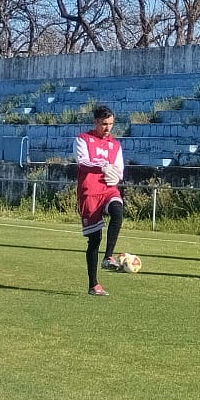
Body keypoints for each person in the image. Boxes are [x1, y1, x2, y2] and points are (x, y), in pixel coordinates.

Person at [76, 105, 127, 296]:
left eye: (111, 124)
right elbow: (83, 161)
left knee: (118, 211)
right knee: (94, 240)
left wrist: (116, 177)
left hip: (108, 189)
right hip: (89, 192)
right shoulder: (83, 139)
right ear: (96, 122)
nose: (108, 128)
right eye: (104, 124)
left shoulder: (116, 145)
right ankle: (94, 285)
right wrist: (103, 166)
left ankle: (109, 257)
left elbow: (119, 169)